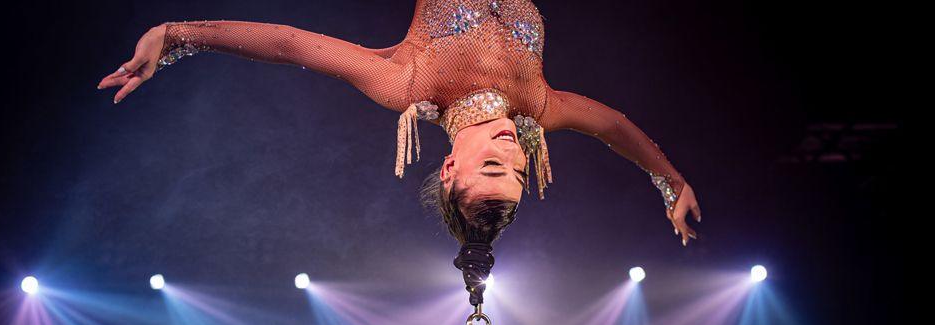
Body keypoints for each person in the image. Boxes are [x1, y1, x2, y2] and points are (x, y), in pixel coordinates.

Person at [97, 0, 703, 248]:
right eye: (519, 171)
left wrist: (175, 35)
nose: (513, 153)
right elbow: (617, 129)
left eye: (492, 165)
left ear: (448, 168)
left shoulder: (406, 83)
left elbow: (287, 43)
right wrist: (672, 182)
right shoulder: (538, 105)